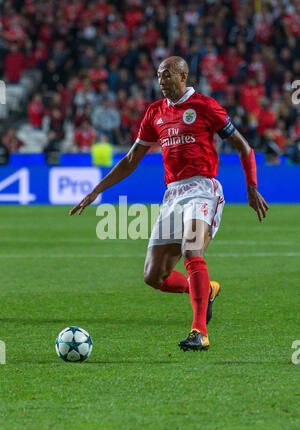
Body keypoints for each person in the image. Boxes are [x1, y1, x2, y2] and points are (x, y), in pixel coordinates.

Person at [70, 56, 269, 352]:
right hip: (173, 193)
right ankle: (204, 288)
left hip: (203, 188)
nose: (161, 81)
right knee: (154, 276)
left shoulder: (205, 106)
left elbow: (243, 146)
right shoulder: (155, 112)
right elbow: (130, 160)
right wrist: (96, 190)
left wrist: (251, 187)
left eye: (166, 75)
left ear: (183, 76)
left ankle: (199, 332)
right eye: (158, 76)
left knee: (192, 250)